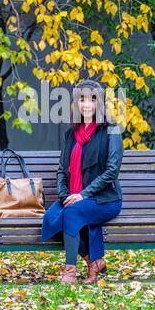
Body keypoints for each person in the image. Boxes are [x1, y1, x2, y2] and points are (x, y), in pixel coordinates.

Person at [40, 79, 124, 285]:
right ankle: (93, 262)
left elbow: (111, 172)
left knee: (70, 213)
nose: (87, 105)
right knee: (51, 218)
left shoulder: (111, 131)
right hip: (74, 196)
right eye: (82, 100)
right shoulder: (71, 134)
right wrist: (64, 195)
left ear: (100, 103)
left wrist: (83, 195)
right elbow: (61, 170)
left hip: (105, 198)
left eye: (92, 99)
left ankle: (70, 272)